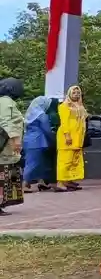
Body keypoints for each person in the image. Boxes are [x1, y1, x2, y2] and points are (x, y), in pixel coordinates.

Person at [55, 85, 87, 192]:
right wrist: (67, 135)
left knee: (74, 160)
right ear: (69, 94)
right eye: (74, 93)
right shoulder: (64, 106)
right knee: (65, 161)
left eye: (78, 93)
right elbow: (64, 122)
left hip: (78, 138)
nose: (76, 95)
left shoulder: (80, 106)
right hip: (67, 138)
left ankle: (68, 181)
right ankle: (60, 182)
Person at [21, 96, 55, 193]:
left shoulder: (29, 114)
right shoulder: (41, 115)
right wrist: (53, 138)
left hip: (28, 140)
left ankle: (41, 182)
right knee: (33, 163)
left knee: (39, 162)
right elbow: (47, 130)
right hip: (38, 140)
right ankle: (24, 184)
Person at [0, 79, 24, 213]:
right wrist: (15, 139)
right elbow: (5, 121)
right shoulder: (5, 102)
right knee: (3, 174)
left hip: (7, 145)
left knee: (7, 173)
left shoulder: (6, 101)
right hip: (6, 145)